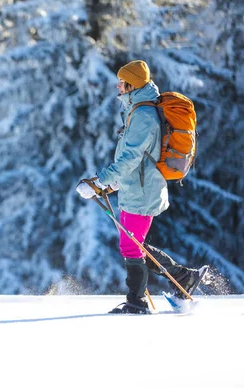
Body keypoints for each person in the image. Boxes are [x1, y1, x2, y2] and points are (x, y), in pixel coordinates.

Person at [76, 60, 207, 314]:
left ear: (132, 84)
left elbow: (130, 159)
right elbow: (134, 160)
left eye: (122, 81)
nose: (118, 85)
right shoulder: (137, 111)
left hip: (143, 190)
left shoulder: (143, 115)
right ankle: (183, 278)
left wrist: (100, 182)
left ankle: (136, 303)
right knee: (134, 244)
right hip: (135, 187)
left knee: (131, 245)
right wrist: (108, 185)